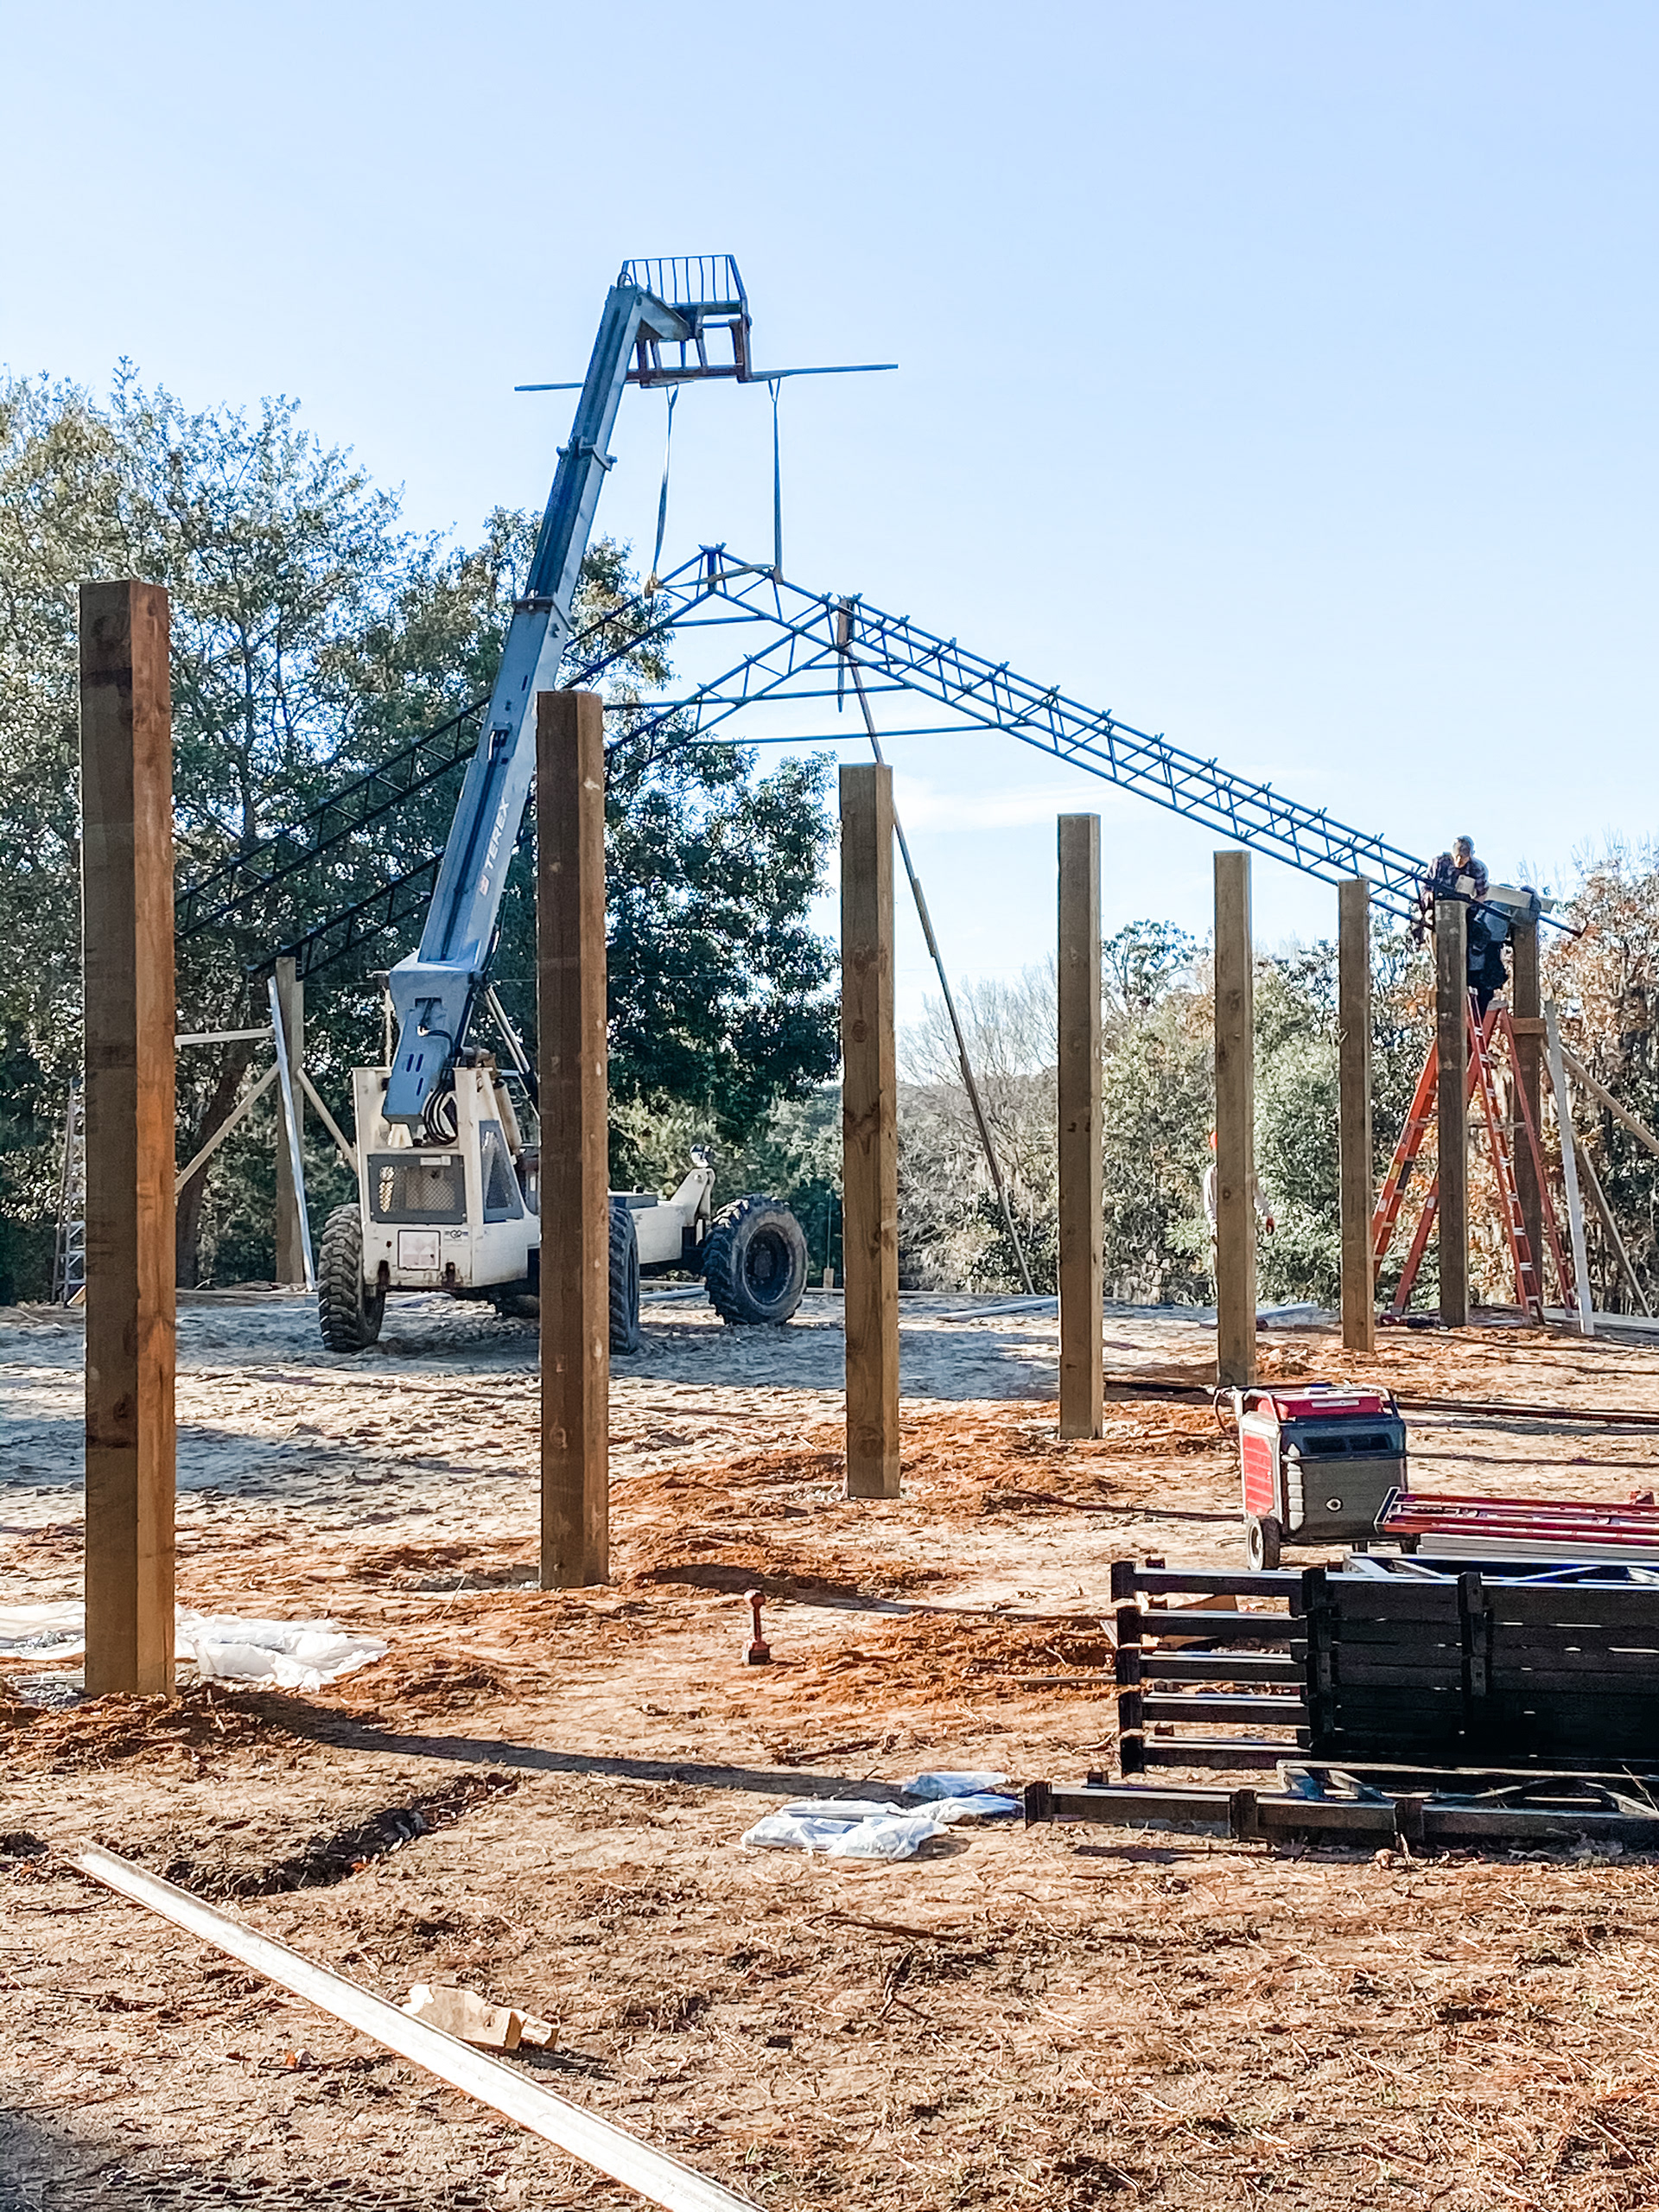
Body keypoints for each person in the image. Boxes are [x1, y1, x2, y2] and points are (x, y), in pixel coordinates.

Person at [1202, 1130, 1274, 1292]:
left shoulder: (1246, 1171)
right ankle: (1227, 1312)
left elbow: (1257, 1195)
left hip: (1243, 1229)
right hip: (1222, 1232)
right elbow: (1210, 1204)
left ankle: (1246, 1313)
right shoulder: (1213, 1174)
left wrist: (1267, 1216)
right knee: (1224, 1274)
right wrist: (1215, 1226)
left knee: (1245, 1271)